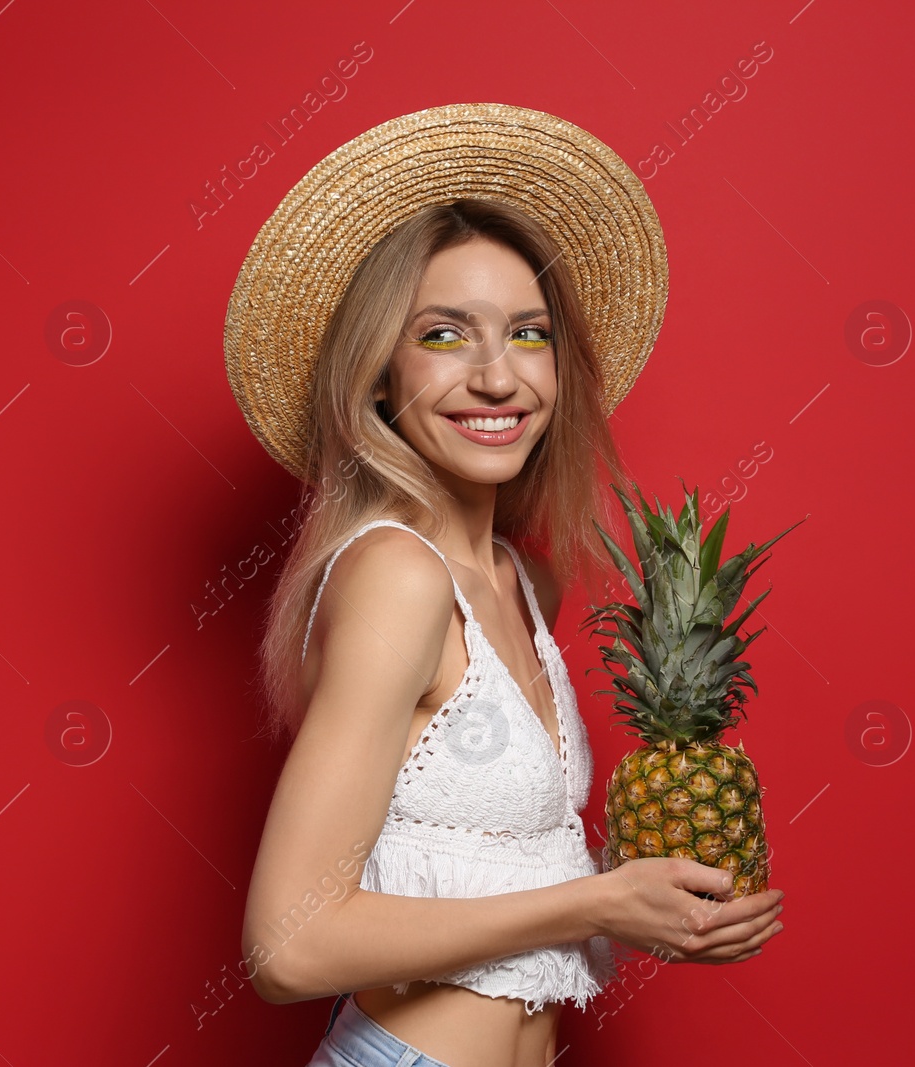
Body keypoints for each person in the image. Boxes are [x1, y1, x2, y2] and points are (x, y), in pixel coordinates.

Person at [224, 105, 786, 1067]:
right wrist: (602, 902)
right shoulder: (398, 576)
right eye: (445, 335)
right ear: (377, 376)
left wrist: (657, 892)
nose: (498, 376)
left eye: (528, 333)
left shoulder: (524, 575)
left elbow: (497, 856)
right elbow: (288, 945)